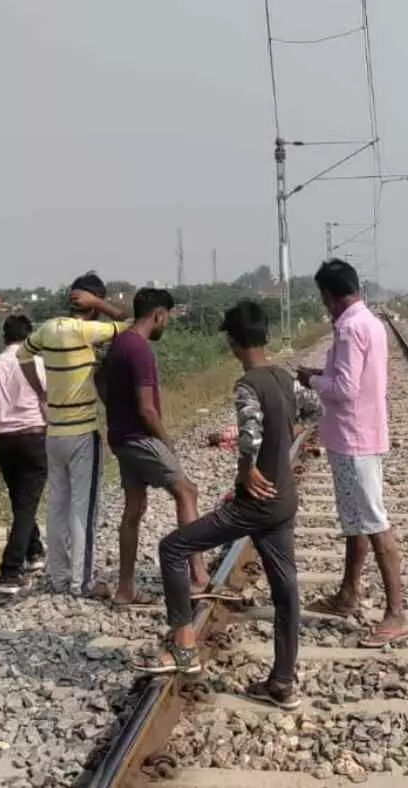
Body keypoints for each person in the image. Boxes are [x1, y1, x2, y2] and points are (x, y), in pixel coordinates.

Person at [132, 301, 318, 711]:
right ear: (265, 336)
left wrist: (249, 466)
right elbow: (316, 407)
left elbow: (250, 430)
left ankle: (183, 647)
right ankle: (283, 681)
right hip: (284, 499)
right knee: (286, 592)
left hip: (255, 504)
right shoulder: (284, 377)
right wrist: (288, 436)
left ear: (232, 341)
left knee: (173, 548)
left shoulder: (248, 383)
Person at [298, 258, 408, 647]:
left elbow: (343, 389)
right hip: (361, 433)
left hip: (353, 437)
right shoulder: (371, 323)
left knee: (374, 522)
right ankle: (347, 593)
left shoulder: (348, 329)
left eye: (323, 298)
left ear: (329, 296)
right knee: (356, 520)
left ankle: (396, 614)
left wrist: (311, 379)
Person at [20, 273, 129, 596]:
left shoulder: (49, 328)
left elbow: (22, 355)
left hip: (53, 433)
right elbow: (132, 323)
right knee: (84, 508)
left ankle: (58, 577)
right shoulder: (87, 330)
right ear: (91, 303)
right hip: (82, 434)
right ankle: (83, 583)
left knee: (57, 506)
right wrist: (101, 304)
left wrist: (40, 391)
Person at [101, 287, 210, 605]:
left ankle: (125, 589)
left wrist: (114, 411)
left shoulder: (119, 342)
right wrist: (167, 442)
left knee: (134, 509)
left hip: (120, 437)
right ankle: (199, 574)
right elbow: (147, 408)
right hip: (140, 438)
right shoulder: (141, 350)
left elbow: (100, 381)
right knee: (186, 492)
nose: (167, 325)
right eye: (167, 319)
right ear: (159, 314)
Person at [0, 314, 49, 594]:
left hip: (4, 442)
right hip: (34, 437)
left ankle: (35, 552)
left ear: (4, 337)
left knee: (20, 500)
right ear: (30, 339)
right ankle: (10, 571)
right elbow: (47, 402)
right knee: (26, 504)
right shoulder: (39, 363)